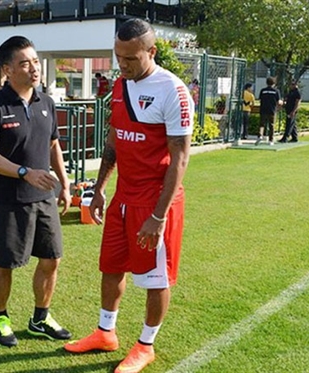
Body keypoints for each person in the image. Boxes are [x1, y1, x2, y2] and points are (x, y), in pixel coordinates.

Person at [64, 18, 194, 373]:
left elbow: (180, 157)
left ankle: (146, 345)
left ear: (151, 52)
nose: (123, 65)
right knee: (111, 266)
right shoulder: (120, 86)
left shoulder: (173, 90)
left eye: (131, 59)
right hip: (122, 198)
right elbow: (114, 142)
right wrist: (100, 189)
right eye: (118, 57)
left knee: (156, 278)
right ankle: (106, 332)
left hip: (154, 201)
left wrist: (158, 215)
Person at [0, 35, 72, 348]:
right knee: (5, 263)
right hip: (8, 200)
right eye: (24, 63)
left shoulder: (47, 102)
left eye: (35, 61)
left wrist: (64, 182)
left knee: (51, 259)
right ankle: (0, 318)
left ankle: (40, 318)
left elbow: (53, 145)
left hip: (44, 199)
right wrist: (24, 173)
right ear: (7, 69)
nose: (34, 68)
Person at [256, 76, 282, 146]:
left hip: (263, 109)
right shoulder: (276, 91)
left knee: (262, 124)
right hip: (272, 110)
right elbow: (279, 102)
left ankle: (260, 135)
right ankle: (271, 140)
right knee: (271, 125)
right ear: (274, 83)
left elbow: (260, 100)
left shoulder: (263, 90)